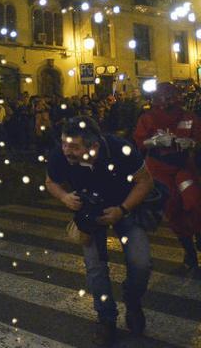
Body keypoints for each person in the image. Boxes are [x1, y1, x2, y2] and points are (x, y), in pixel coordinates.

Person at [45, 116, 154, 345]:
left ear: (93, 146)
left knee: (141, 263)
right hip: (89, 214)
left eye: (74, 147)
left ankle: (133, 301)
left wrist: (122, 209)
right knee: (95, 268)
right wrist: (65, 197)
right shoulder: (60, 154)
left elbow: (145, 182)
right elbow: (50, 181)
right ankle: (106, 319)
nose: (66, 151)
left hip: (125, 207)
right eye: (64, 143)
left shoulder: (121, 149)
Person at [132, 82, 201, 272]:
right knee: (173, 209)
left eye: (169, 98)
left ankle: (198, 234)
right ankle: (189, 250)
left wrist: (192, 144)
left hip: (183, 167)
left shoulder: (189, 117)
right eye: (163, 99)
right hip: (159, 170)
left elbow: (199, 140)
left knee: (193, 200)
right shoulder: (147, 118)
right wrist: (153, 142)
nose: (166, 103)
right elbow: (138, 142)